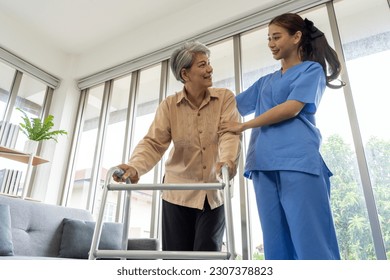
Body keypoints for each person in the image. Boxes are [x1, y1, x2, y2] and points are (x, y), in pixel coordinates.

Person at [218, 13, 343, 260]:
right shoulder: (266, 81)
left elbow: (292, 107)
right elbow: (229, 106)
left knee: (311, 242)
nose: (271, 44)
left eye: (276, 37)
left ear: (296, 37)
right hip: (263, 166)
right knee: (276, 246)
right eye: (269, 39)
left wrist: (244, 126)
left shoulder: (311, 70)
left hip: (298, 164)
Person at [113, 41, 241, 252]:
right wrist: (134, 167)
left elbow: (229, 134)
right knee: (177, 256)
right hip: (177, 193)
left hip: (213, 191)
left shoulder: (224, 98)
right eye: (202, 65)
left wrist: (227, 161)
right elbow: (153, 143)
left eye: (208, 63)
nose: (210, 68)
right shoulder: (169, 106)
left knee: (207, 253)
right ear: (185, 74)